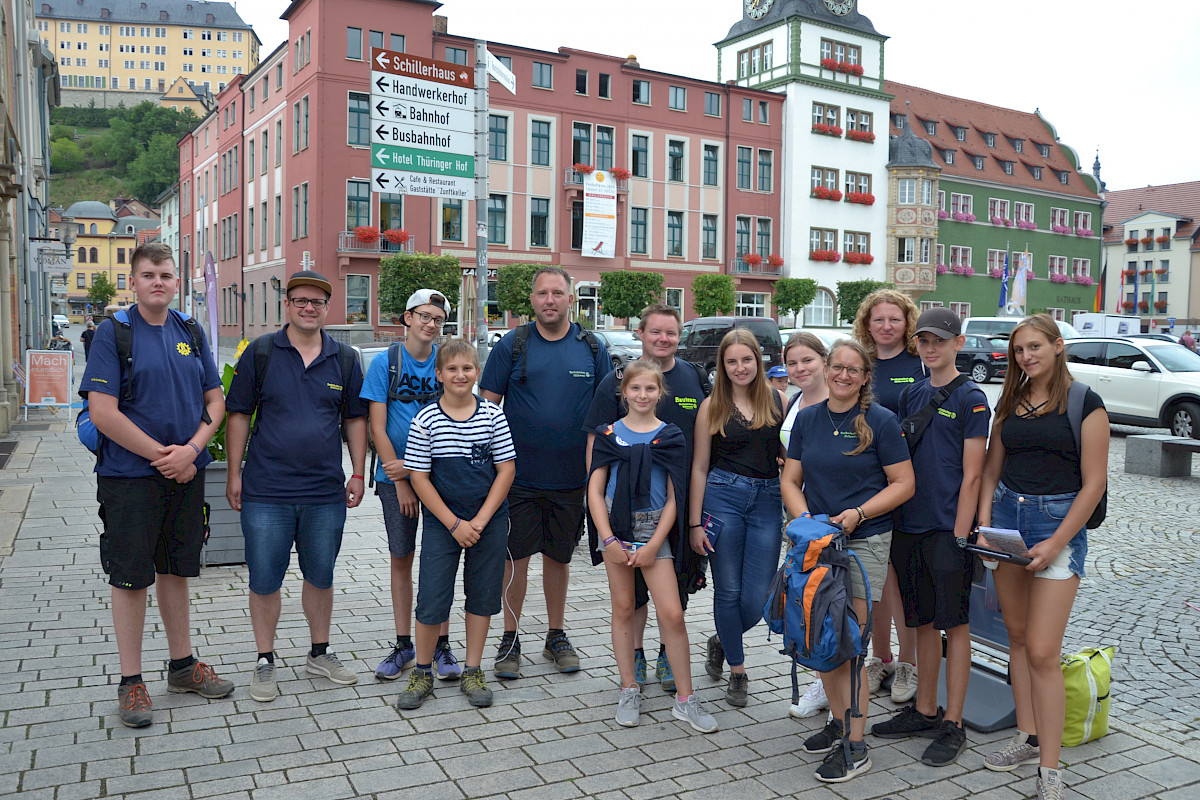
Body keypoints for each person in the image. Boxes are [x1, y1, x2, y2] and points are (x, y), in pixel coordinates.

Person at [80, 241, 233, 728]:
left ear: (175, 279)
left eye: (165, 275)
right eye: (148, 275)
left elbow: (216, 400)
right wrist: (162, 457)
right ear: (134, 281)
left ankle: (183, 667)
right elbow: (103, 413)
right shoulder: (113, 333)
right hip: (129, 478)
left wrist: (191, 450)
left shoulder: (190, 329)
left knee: (176, 570)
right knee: (129, 577)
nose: (158, 283)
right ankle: (131, 682)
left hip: (184, 473)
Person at [976, 314, 1108, 800]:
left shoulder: (1084, 403)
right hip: (1009, 522)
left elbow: (1094, 484)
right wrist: (987, 529)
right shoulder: (1008, 401)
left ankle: (1051, 770)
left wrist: (1057, 543)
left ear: (1057, 346)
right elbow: (992, 471)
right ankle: (1028, 738)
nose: (1025, 357)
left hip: (1058, 526)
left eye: (1034, 347)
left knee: (1043, 651)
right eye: (1018, 350)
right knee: (1015, 637)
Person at [224, 270, 369, 703]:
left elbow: (355, 420)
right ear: (287, 304)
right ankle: (265, 659)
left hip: (324, 492)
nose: (309, 308)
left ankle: (319, 652)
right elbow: (238, 416)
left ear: (328, 308)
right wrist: (234, 473)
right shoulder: (262, 353)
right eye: (301, 300)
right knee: (265, 579)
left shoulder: (344, 358)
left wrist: (358, 472)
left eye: (318, 302)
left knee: (320, 576)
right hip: (267, 490)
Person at [781, 339, 915, 783]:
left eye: (852, 370)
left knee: (849, 648)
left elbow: (903, 483)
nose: (842, 375)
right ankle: (840, 723)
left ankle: (856, 748)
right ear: (826, 368)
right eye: (836, 367)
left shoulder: (881, 421)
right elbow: (791, 478)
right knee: (822, 641)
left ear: (864, 377)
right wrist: (806, 521)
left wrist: (859, 514)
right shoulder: (808, 418)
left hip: (863, 544)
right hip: (816, 545)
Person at [870, 307, 990, 767]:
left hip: (947, 528)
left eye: (940, 339)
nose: (931, 347)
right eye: (924, 340)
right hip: (909, 524)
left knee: (954, 626)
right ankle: (924, 708)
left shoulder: (972, 397)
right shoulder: (914, 393)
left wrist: (961, 535)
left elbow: (974, 474)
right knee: (920, 622)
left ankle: (953, 722)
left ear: (958, 344)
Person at [479, 267, 611, 678]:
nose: (549, 300)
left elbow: (607, 413)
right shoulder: (513, 345)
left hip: (573, 479)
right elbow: (485, 409)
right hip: (517, 478)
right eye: (542, 293)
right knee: (514, 559)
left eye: (557, 293)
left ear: (571, 298)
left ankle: (556, 635)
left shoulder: (592, 346)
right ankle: (510, 637)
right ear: (532, 300)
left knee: (558, 558)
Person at [582, 303, 708, 694]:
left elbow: (711, 437)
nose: (663, 339)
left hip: (675, 506)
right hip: (620, 510)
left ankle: (668, 657)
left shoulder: (695, 379)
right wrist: (599, 508)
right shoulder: (614, 381)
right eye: (656, 332)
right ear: (641, 333)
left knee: (677, 591)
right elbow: (596, 453)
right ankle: (633, 658)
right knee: (630, 598)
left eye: (671, 332)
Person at [589, 360, 718, 733]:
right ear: (623, 392)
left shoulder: (671, 435)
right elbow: (595, 492)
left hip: (654, 530)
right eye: (635, 389)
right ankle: (629, 686)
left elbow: (677, 496)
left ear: (660, 394)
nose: (642, 395)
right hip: (615, 527)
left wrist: (656, 542)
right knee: (625, 607)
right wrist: (608, 541)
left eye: (650, 389)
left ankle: (685, 697)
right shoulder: (609, 434)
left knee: (673, 614)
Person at [393, 340, 516, 711]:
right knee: (431, 598)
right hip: (442, 523)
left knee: (482, 596)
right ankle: (424, 671)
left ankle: (473, 669)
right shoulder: (426, 419)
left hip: (488, 522)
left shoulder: (493, 416)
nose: (460, 375)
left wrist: (478, 521)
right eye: (452, 369)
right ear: (439, 375)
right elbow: (419, 477)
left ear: (477, 372)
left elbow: (506, 469)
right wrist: (453, 523)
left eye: (467, 368)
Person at [360, 289, 459, 682]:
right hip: (394, 479)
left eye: (437, 318)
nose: (430, 324)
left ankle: (441, 644)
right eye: (424, 316)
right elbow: (377, 427)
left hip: (440, 478)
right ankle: (405, 642)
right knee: (401, 558)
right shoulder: (386, 364)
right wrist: (399, 479)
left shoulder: (446, 361)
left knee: (441, 560)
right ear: (407, 317)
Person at [688, 328, 786, 708]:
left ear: (758, 362)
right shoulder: (711, 406)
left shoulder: (778, 400)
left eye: (747, 360)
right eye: (732, 362)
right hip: (721, 496)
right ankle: (738, 670)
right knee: (727, 590)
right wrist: (695, 523)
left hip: (767, 500)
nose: (740, 367)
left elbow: (790, 455)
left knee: (760, 596)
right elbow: (699, 467)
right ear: (722, 366)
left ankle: (721, 640)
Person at [853, 289, 925, 703]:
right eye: (878, 319)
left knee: (902, 583)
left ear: (906, 322)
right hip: (866, 484)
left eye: (894, 319)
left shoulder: (917, 364)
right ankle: (881, 658)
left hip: (907, 483)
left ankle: (909, 665)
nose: (885, 326)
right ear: (867, 323)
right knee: (874, 581)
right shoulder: (860, 364)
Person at [778, 332, 831, 720]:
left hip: (835, 519)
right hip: (802, 519)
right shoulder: (793, 402)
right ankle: (823, 683)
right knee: (809, 606)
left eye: (808, 361)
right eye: (793, 363)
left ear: (824, 360)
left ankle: (843, 701)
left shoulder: (840, 399)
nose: (800, 369)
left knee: (839, 610)